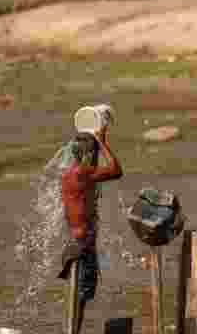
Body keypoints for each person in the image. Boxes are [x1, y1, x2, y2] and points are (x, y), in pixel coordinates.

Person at [57, 124, 123, 331]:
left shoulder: (70, 173)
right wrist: (102, 142)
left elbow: (94, 172)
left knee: (80, 294)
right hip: (83, 241)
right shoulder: (82, 173)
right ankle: (73, 330)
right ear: (86, 154)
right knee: (82, 294)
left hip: (76, 238)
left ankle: (73, 329)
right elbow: (116, 170)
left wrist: (96, 143)